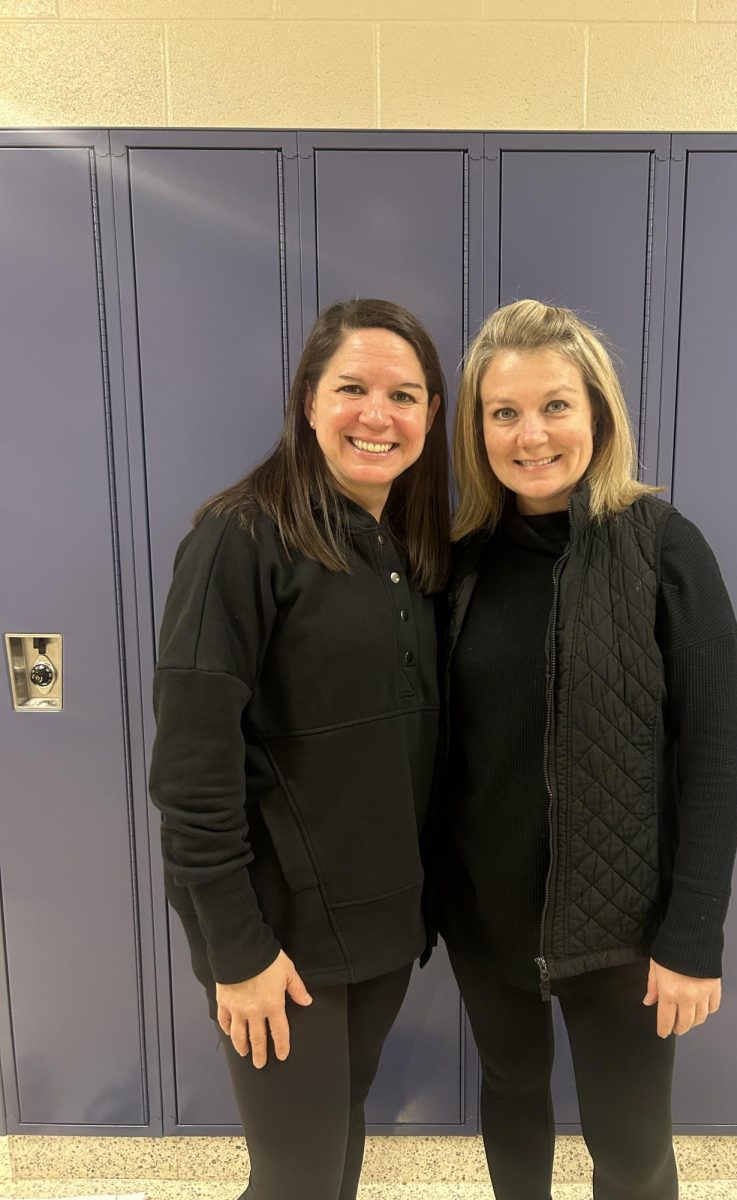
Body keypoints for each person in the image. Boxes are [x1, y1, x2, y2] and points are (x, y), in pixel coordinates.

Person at [437, 299, 737, 1200]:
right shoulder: (456, 561)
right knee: (511, 1103)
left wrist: (694, 936)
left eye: (555, 406)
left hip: (625, 926)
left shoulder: (666, 548)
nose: (531, 434)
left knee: (633, 1144)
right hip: (487, 916)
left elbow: (715, 757)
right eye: (504, 413)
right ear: (478, 428)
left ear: (597, 415)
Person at [149, 298, 449, 1200]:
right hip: (282, 942)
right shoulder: (238, 540)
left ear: (431, 416)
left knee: (339, 1144)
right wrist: (235, 953)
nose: (377, 414)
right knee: (297, 1179)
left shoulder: (404, 545)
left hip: (381, 930)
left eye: (404, 394)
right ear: (307, 402)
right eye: (352, 387)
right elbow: (190, 776)